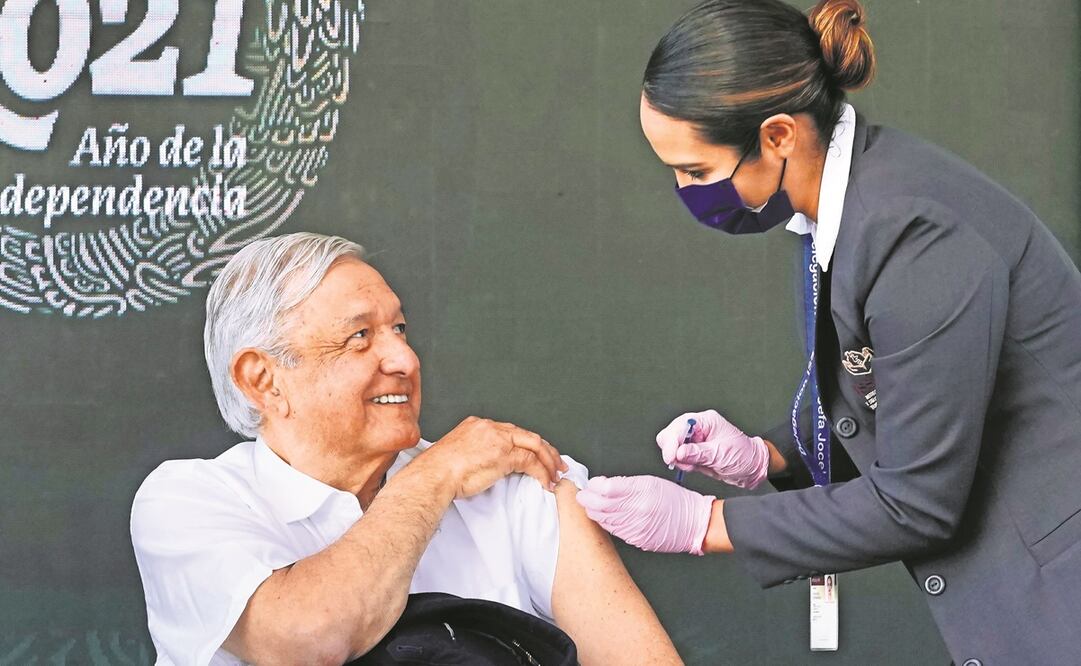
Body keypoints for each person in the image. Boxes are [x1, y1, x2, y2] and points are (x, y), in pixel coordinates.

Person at [575, 1, 1081, 664]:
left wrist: (701, 524)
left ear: (778, 135)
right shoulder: (836, 210)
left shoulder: (916, 237)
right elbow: (905, 399)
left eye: (696, 171)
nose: (683, 190)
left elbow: (916, 502)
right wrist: (768, 457)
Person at [130, 233, 681, 666]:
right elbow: (305, 640)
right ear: (264, 381)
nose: (405, 359)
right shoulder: (187, 500)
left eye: (398, 328)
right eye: (360, 337)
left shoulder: (516, 486)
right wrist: (435, 474)